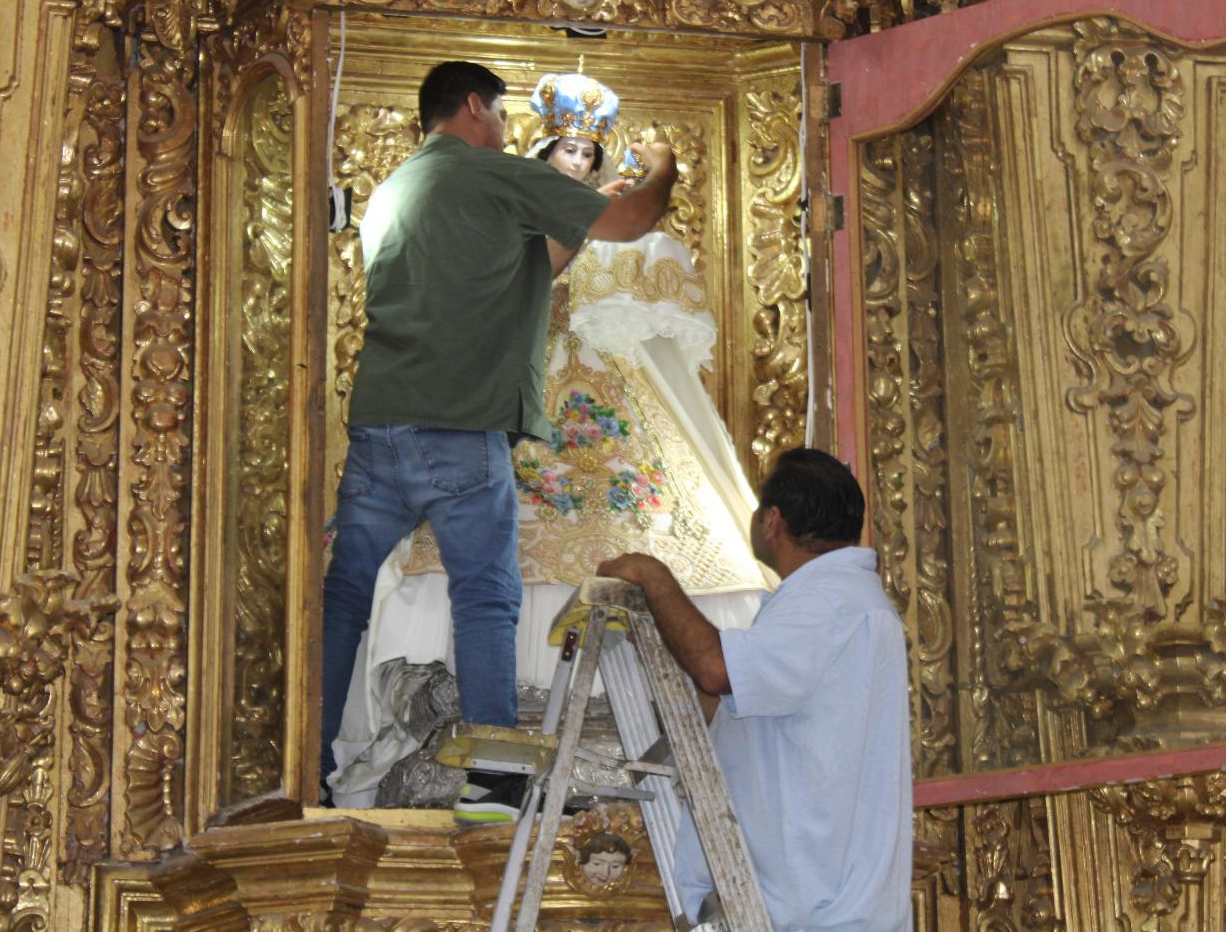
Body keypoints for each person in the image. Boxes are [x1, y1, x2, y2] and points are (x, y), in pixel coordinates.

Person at [324, 71, 769, 812]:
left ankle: (311, 760)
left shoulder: (390, 193)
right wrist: (663, 168)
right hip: (461, 425)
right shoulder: (492, 175)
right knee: (489, 596)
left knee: (346, 594)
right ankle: (494, 774)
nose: (501, 129)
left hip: (380, 423)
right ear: (475, 108)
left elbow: (533, 270)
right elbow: (626, 222)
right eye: (500, 115)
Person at [596, 448, 912, 932]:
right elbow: (737, 707)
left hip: (819, 911)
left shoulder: (826, 602)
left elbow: (716, 671)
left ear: (773, 521)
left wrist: (652, 575)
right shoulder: (836, 600)